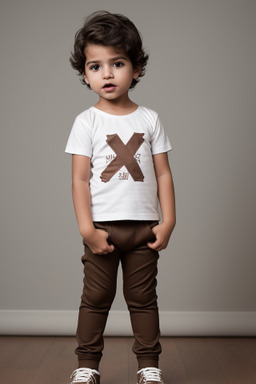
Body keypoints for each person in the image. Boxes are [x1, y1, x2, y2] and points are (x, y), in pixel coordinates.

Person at [65, 10, 176, 384]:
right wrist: (87, 228)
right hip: (102, 231)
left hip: (144, 230)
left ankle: (149, 366)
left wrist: (169, 220)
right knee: (95, 300)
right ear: (85, 74)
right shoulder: (87, 122)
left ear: (137, 68)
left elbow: (163, 172)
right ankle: (86, 366)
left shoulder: (150, 119)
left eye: (117, 63)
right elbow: (80, 181)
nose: (107, 74)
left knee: (143, 301)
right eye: (95, 66)